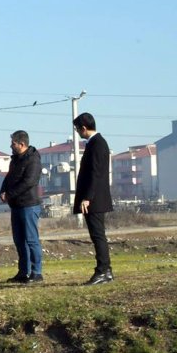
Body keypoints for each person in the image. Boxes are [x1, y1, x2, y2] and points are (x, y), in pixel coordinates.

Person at [73, 112, 114, 285]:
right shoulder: (96, 143)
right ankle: (108, 271)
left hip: (95, 199)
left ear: (84, 127)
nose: (77, 132)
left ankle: (102, 271)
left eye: (77, 129)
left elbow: (96, 174)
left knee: (98, 235)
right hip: (95, 198)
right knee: (97, 235)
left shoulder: (97, 144)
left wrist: (87, 197)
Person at [0, 130, 43, 284]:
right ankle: (23, 272)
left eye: (13, 143)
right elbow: (9, 177)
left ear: (22, 144)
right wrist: (3, 191)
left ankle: (37, 272)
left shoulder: (33, 159)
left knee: (31, 240)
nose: (11, 146)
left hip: (29, 205)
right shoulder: (15, 160)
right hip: (16, 205)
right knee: (19, 240)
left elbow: (29, 182)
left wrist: (10, 194)